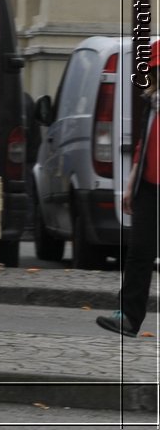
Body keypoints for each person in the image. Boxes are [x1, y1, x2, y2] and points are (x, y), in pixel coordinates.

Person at [96, 50, 158, 338]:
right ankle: (129, 318)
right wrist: (132, 182)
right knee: (139, 253)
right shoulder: (153, 103)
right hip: (148, 186)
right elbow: (143, 144)